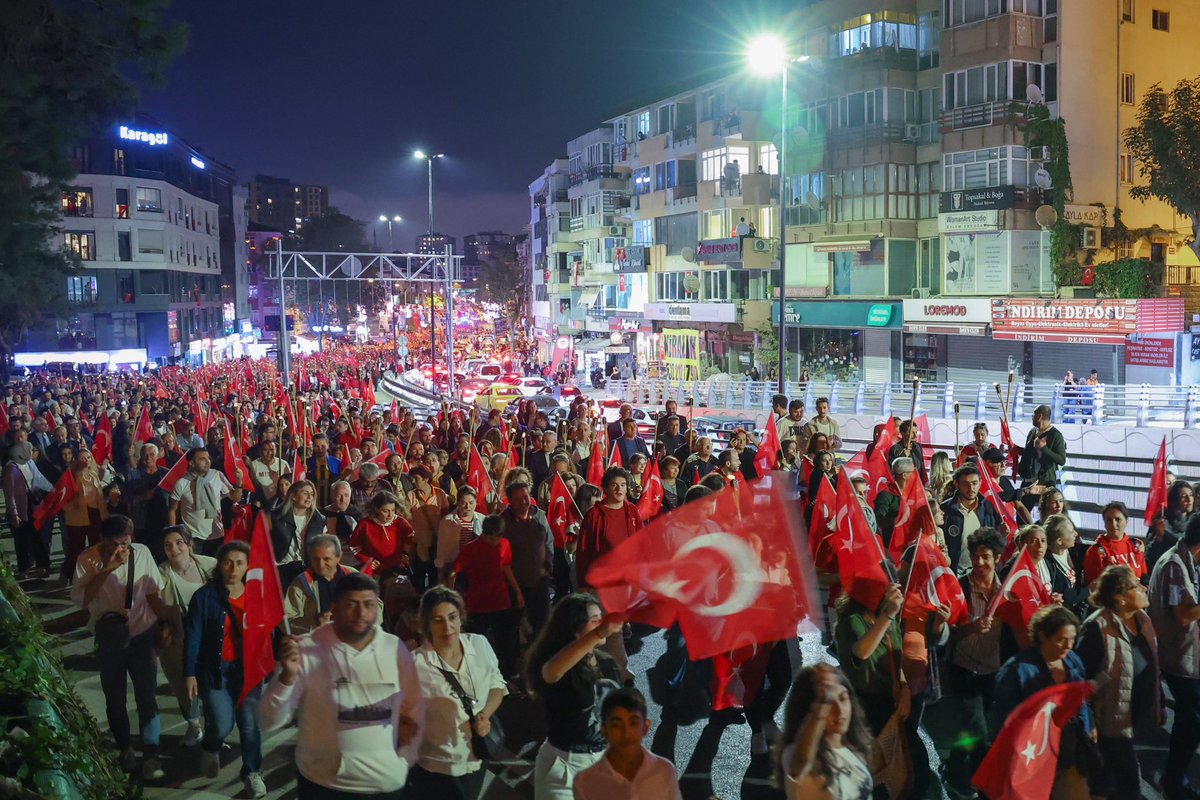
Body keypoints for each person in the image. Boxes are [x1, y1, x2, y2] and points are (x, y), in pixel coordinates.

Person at [259, 573, 425, 800]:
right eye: (351, 605)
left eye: (368, 605)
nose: (361, 613)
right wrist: (286, 679)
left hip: (386, 785)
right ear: (334, 609)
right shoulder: (305, 650)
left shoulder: (395, 649)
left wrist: (405, 758)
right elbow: (269, 721)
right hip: (323, 786)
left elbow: (415, 708)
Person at [70, 513, 169, 780]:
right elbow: (82, 600)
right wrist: (107, 568)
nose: (120, 549)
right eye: (114, 543)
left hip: (142, 633)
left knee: (147, 695)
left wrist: (165, 623)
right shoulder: (87, 559)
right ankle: (125, 748)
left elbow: (153, 592)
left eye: (125, 543)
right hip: (109, 638)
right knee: (115, 698)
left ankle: (152, 752)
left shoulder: (142, 552)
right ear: (103, 539)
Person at [183, 540, 266, 798]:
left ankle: (252, 773)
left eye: (240, 563)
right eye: (228, 562)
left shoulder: (257, 595)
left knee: (249, 724)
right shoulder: (204, 597)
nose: (233, 568)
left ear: (248, 566)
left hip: (248, 671)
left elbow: (267, 634)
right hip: (214, 670)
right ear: (219, 565)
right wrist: (189, 672)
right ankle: (211, 746)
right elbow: (193, 636)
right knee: (221, 724)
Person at [410, 587, 508, 798]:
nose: (447, 627)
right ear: (426, 624)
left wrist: (485, 715)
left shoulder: (479, 644)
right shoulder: (414, 665)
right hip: (437, 765)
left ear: (461, 617)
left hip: (477, 757)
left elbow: (497, 685)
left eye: (452, 617)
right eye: (438, 620)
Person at [525, 593, 623, 800]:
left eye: (602, 618)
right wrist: (599, 633)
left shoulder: (605, 662)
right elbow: (551, 673)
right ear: (573, 628)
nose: (602, 624)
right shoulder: (558, 664)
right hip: (565, 766)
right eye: (594, 620)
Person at [991, 605, 1095, 797]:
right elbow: (1004, 721)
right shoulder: (1017, 671)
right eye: (1061, 639)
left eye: (1072, 639)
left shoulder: (1072, 661)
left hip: (1069, 755)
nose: (1068, 646)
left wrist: (1089, 727)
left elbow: (1081, 699)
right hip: (1033, 759)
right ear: (1042, 636)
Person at [1075, 565, 1160, 799]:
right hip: (1109, 723)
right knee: (1127, 782)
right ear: (1120, 598)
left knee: (1111, 782)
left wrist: (1158, 701)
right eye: (1136, 586)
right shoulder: (1096, 628)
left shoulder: (1142, 619)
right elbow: (1080, 680)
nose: (1144, 588)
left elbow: (1151, 666)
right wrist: (1088, 722)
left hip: (1131, 718)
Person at [944, 527, 1005, 795]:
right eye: (975, 556)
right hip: (964, 668)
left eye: (986, 557)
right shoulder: (959, 588)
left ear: (997, 558)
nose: (979, 562)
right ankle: (983, 786)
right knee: (978, 729)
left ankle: (954, 767)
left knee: (971, 728)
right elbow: (947, 634)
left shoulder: (1007, 591)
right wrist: (972, 627)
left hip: (992, 670)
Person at [1147, 515, 1200, 799]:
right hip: (1180, 660)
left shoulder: (1185, 561)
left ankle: (1175, 776)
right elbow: (1184, 615)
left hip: (1187, 657)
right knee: (1189, 724)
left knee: (1189, 721)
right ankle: (1174, 780)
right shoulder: (1174, 566)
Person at [774, 664, 874, 800]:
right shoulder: (792, 753)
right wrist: (822, 705)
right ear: (808, 709)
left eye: (843, 698)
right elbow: (801, 763)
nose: (840, 711)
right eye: (829, 703)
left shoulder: (852, 746)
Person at [157, 524, 215, 748]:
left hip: (209, 633)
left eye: (179, 543)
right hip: (178, 635)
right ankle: (194, 725)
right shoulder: (160, 574)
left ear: (190, 544)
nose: (174, 549)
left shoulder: (210, 565)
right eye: (168, 545)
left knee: (211, 681)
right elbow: (153, 604)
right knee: (183, 682)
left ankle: (214, 730)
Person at [572, 686, 682, 800]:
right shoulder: (584, 782)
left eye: (633, 723)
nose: (626, 733)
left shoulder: (664, 771)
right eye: (617, 725)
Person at [450, 514, 523, 678]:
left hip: (500, 600)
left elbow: (506, 568)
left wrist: (517, 592)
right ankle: (475, 673)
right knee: (475, 641)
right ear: (483, 534)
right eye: (491, 538)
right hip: (477, 604)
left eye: (498, 538)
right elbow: (454, 571)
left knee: (505, 640)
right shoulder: (471, 549)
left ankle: (509, 673)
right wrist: (452, 597)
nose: (494, 542)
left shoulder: (505, 545)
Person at [833, 584, 908, 736]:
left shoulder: (890, 620)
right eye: (888, 585)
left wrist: (905, 687)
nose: (895, 590)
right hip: (865, 708)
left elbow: (894, 658)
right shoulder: (853, 620)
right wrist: (888, 614)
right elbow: (862, 652)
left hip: (889, 702)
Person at [502, 481, 555, 635]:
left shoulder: (539, 516)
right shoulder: (503, 522)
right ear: (510, 501)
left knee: (542, 627)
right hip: (514, 585)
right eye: (518, 499)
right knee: (511, 629)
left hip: (539, 582)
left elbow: (548, 542)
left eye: (525, 497)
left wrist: (548, 567)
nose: (523, 502)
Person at [169, 447, 242, 557]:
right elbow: (173, 510)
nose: (207, 462)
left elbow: (235, 498)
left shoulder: (217, 476)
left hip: (216, 534)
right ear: (192, 463)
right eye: (202, 459)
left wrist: (239, 482)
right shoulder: (182, 483)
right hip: (193, 537)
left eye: (208, 458)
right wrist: (173, 533)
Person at [284, 534, 360, 634]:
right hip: (317, 639)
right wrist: (314, 622)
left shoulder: (352, 576)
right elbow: (286, 621)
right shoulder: (302, 582)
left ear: (338, 557)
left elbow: (376, 607)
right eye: (316, 559)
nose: (321, 565)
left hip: (351, 638)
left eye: (326, 559)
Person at [2, 440, 54, 578]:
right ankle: (23, 569)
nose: (32, 453)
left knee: (37, 537)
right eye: (29, 450)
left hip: (31, 506)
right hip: (19, 509)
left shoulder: (29, 463)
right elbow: (9, 495)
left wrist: (53, 489)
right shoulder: (11, 469)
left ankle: (42, 565)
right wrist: (14, 514)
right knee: (22, 540)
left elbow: (39, 478)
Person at [941, 464, 1000, 574]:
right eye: (965, 484)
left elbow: (994, 539)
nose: (971, 488)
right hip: (954, 572)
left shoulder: (988, 508)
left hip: (981, 571)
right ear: (956, 484)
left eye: (974, 483)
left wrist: (1003, 534)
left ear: (980, 483)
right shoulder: (946, 509)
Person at [348, 490, 416, 579]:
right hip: (374, 571)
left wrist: (405, 554)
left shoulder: (401, 523)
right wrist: (367, 560)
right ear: (376, 509)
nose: (390, 515)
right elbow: (355, 546)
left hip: (397, 569)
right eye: (385, 511)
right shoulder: (365, 525)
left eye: (393, 510)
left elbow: (411, 539)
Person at [1083, 500, 1147, 587]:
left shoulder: (1136, 545)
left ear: (1126, 521)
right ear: (1104, 523)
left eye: (1118, 519)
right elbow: (1092, 585)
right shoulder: (1096, 551)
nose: (1113, 524)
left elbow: (1144, 575)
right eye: (1109, 520)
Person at [408, 465, 450, 591]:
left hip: (436, 543)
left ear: (426, 479)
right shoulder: (410, 496)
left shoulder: (440, 494)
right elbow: (407, 520)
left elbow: (446, 517)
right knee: (419, 577)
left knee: (435, 576)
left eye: (416, 478)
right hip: (420, 543)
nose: (413, 481)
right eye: (411, 478)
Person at [1017, 404, 1067, 507]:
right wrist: (1017, 450)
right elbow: (1029, 453)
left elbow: (1061, 460)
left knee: (1046, 510)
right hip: (1028, 481)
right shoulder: (1032, 431)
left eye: (1034, 414)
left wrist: (1044, 449)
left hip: (1045, 482)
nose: (1032, 417)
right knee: (1022, 510)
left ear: (1040, 416)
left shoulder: (1056, 435)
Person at [436, 487, 485, 585]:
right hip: (455, 569)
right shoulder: (447, 521)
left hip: (476, 569)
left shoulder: (482, 520)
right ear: (458, 502)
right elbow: (441, 551)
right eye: (463, 503)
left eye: (471, 503)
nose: (467, 507)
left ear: (476, 502)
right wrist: (440, 576)